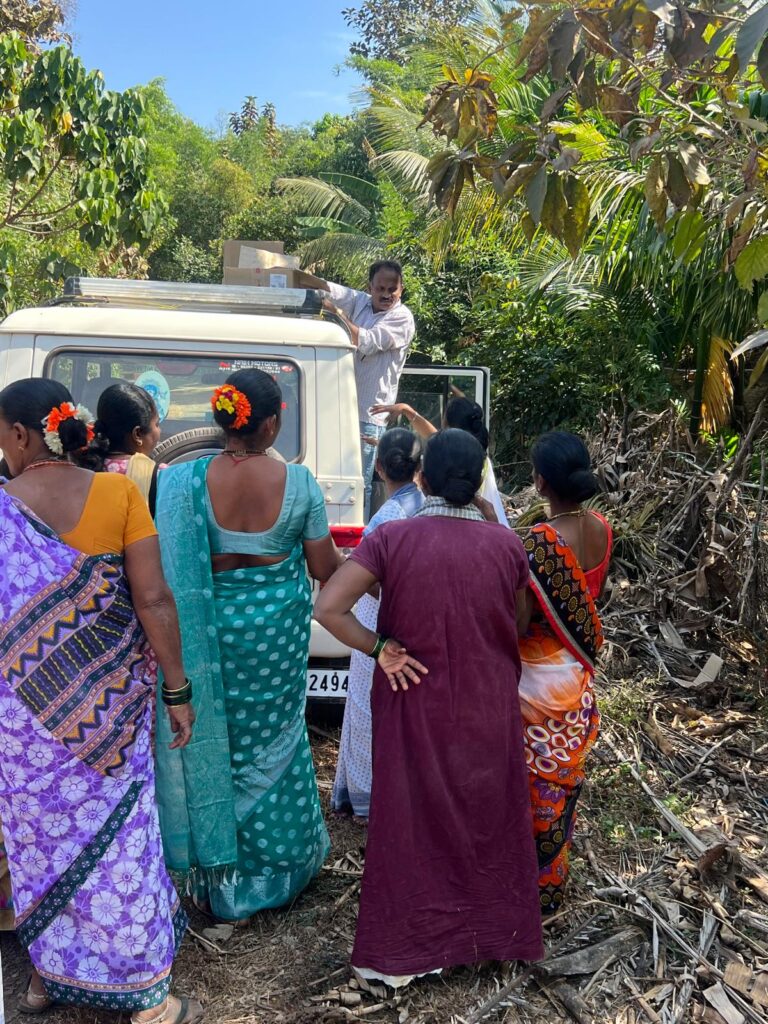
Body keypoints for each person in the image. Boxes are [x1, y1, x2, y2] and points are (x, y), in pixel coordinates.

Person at [0, 379, 200, 1023]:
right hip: (111, 714)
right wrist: (177, 687)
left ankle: (46, 978)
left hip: (23, 723)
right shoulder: (118, 494)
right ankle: (148, 999)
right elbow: (153, 599)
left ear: (22, 435)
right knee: (122, 841)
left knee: (39, 845)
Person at [315, 429, 543, 987]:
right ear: (479, 482)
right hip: (487, 702)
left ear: (422, 478)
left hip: (413, 699)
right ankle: (490, 937)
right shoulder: (507, 546)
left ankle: (403, 951)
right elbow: (519, 624)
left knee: (410, 819)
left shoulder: (393, 539)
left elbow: (329, 606)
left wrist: (379, 648)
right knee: (488, 817)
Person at [155, 369, 337, 923]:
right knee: (277, 742)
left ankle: (215, 873)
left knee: (216, 744)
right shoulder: (299, 484)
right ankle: (275, 869)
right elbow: (324, 568)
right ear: (273, 423)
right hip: (273, 645)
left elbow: (164, 571)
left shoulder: (179, 482)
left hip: (206, 644)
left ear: (222, 419)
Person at [517, 431, 612, 915]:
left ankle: (520, 887)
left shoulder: (540, 541)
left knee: (532, 785)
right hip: (576, 679)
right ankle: (551, 884)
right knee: (561, 784)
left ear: (540, 481)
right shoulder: (603, 528)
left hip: (537, 684)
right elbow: (593, 596)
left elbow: (520, 623)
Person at [332, 429, 424, 821]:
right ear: (419, 467)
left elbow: (371, 582)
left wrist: (343, 565)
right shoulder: (425, 507)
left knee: (366, 707)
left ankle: (366, 799)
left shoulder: (386, 517)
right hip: (414, 621)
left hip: (377, 621)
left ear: (380, 468)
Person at [323, 260, 415, 519]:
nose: (386, 294)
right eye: (380, 288)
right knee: (332, 480)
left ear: (401, 289)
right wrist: (292, 275)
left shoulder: (402, 318)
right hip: (337, 410)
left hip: (368, 416)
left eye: (392, 289)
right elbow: (327, 289)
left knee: (356, 486)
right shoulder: (360, 301)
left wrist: (337, 314)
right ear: (370, 287)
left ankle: (357, 540)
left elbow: (366, 342)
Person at [371, 395, 509, 526]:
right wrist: (406, 410)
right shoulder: (471, 456)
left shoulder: (394, 524)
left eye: (443, 427)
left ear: (424, 480)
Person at [87, 382, 163, 512]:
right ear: (137, 434)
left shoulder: (84, 465)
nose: (159, 431)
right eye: (157, 424)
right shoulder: (160, 475)